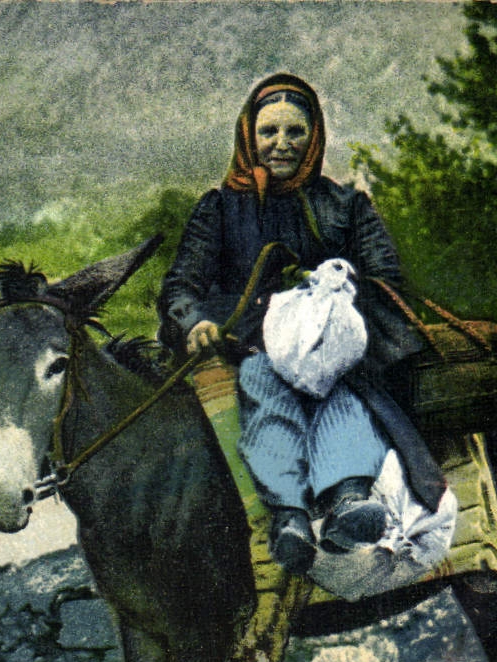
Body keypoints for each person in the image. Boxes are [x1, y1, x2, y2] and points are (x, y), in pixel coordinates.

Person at [159, 73, 434, 575]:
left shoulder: (346, 206)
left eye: (294, 133)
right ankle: (288, 514)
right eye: (269, 133)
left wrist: (335, 298)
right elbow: (181, 285)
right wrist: (193, 320)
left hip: (334, 346)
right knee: (263, 382)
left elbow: (385, 276)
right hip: (254, 346)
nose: (281, 145)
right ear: (249, 137)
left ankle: (347, 499)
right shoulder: (220, 210)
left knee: (343, 388)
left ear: (314, 137)